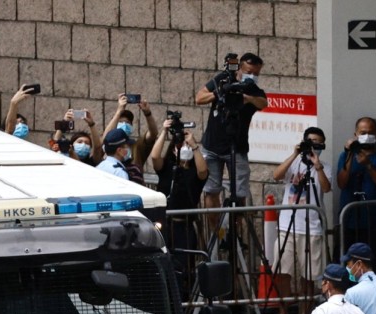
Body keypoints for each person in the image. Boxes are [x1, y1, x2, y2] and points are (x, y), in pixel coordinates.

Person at [267, 127, 333, 314]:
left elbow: (326, 188)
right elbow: (276, 175)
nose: (313, 147)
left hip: (311, 226)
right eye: (310, 142)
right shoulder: (294, 162)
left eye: (318, 144)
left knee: (309, 274)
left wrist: (318, 166)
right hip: (288, 224)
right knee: (282, 271)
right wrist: (295, 153)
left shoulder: (324, 167)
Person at [195, 53, 268, 211]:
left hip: (237, 146)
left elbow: (263, 103)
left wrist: (247, 97)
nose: (252, 75)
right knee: (211, 191)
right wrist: (219, 93)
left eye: (256, 73)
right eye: (249, 71)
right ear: (240, 68)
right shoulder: (223, 79)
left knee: (240, 193)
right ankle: (217, 233)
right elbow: (199, 98)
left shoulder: (252, 88)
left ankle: (236, 231)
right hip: (212, 145)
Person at [336, 116, 376, 267]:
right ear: (355, 135)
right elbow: (341, 183)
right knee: (348, 264)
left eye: (370, 132)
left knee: (375, 262)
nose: (367, 136)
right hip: (349, 221)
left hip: (373, 220)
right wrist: (350, 154)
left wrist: (368, 165)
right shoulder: (345, 156)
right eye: (363, 132)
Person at [150, 116, 208, 251]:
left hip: (185, 226)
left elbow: (203, 171)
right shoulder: (168, 167)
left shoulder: (194, 171)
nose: (184, 148)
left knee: (184, 263)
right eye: (181, 145)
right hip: (165, 223)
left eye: (185, 145)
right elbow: (154, 157)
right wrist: (164, 132)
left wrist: (194, 146)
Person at [101, 95, 159, 184]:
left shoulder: (136, 146)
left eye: (127, 122)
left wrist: (148, 113)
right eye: (120, 122)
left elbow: (153, 134)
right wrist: (119, 111)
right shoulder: (108, 149)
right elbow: (106, 139)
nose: (124, 124)